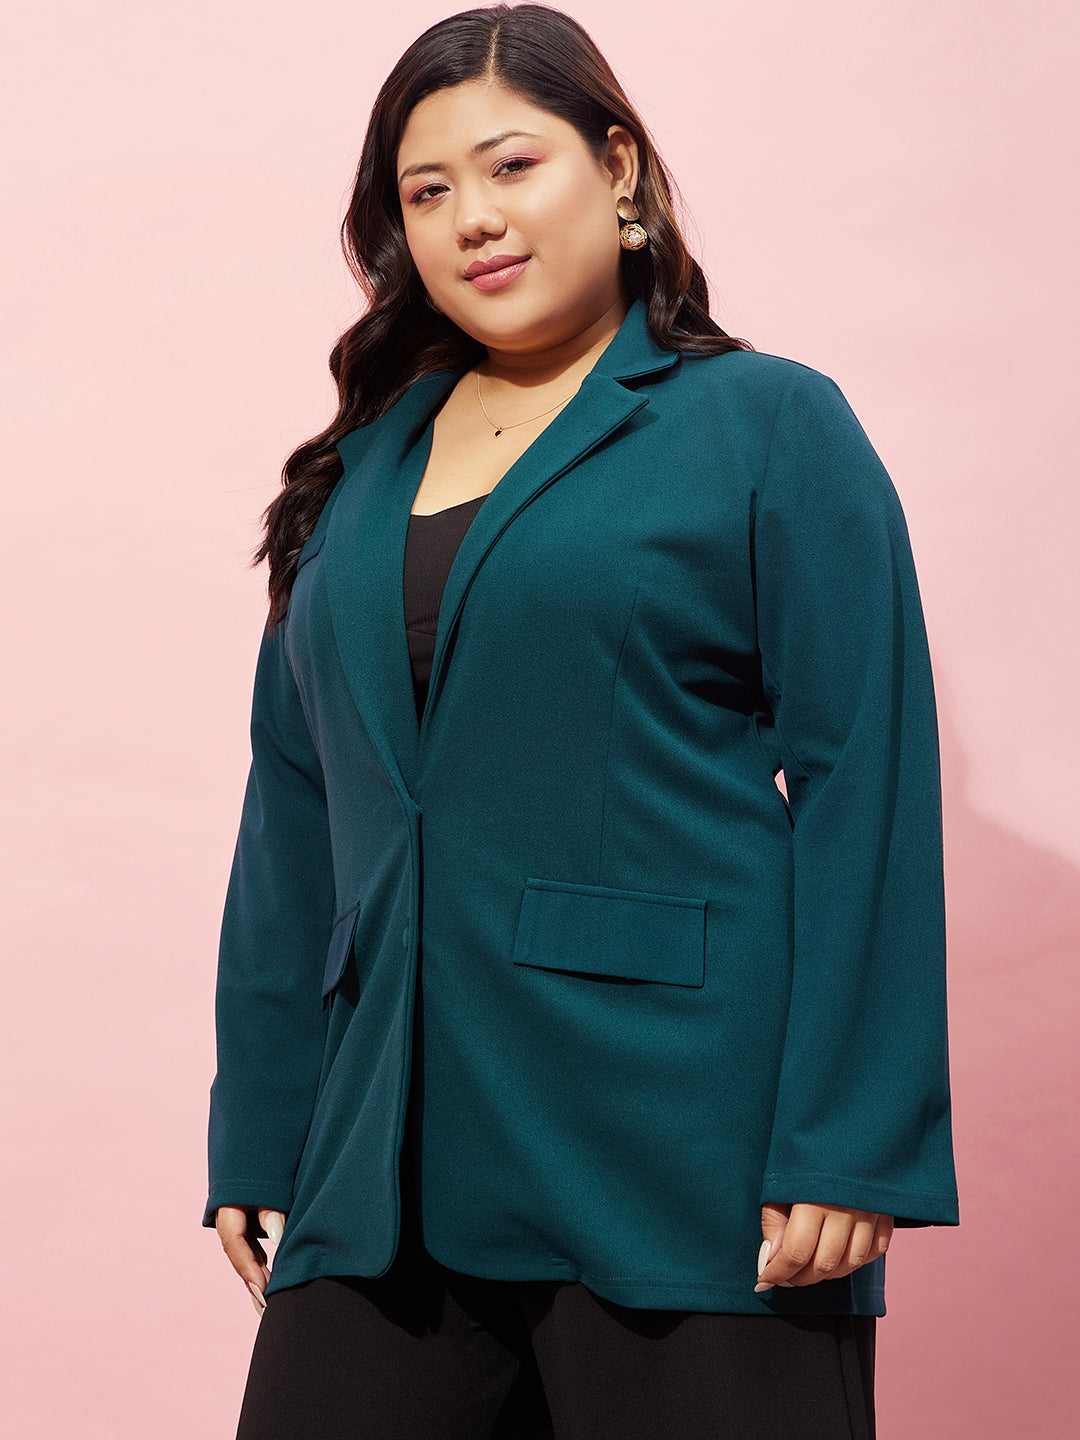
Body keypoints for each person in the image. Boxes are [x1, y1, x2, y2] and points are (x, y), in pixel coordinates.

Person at [202, 5, 960, 1437]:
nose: (473, 219)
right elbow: (293, 813)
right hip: (381, 1161)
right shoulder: (352, 476)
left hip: (689, 1155)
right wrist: (260, 1119)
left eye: (512, 166)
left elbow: (867, 776)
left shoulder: (766, 423)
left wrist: (855, 1139)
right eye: (428, 191)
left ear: (618, 169)